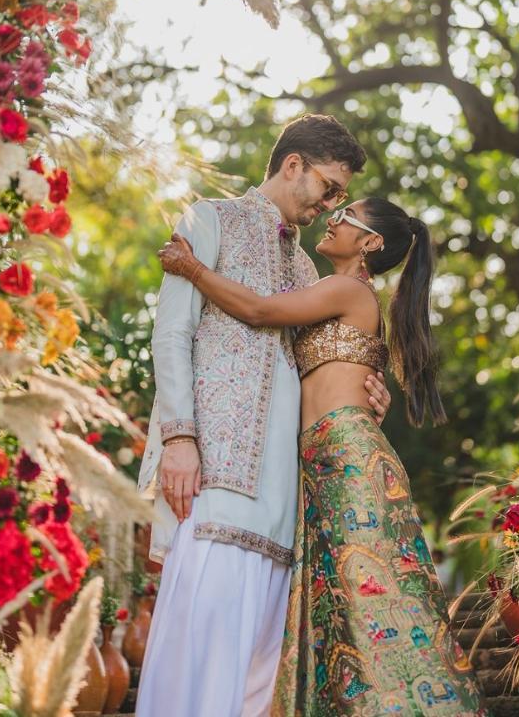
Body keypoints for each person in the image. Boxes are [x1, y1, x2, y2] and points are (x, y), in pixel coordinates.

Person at [159, 197, 490, 715]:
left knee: (377, 596)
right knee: (338, 601)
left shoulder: (346, 289)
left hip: (345, 455)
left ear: (370, 242)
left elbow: (261, 311)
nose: (331, 219)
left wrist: (192, 268)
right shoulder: (328, 286)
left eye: (345, 215)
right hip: (322, 457)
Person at [135, 115, 391, 717]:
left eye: (341, 198)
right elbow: (172, 334)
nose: (332, 204)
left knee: (255, 673)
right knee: (196, 646)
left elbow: (325, 371)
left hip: (286, 499)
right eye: (329, 187)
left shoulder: (308, 273)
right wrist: (179, 437)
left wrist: (368, 391)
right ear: (293, 164)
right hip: (214, 476)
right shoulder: (210, 220)